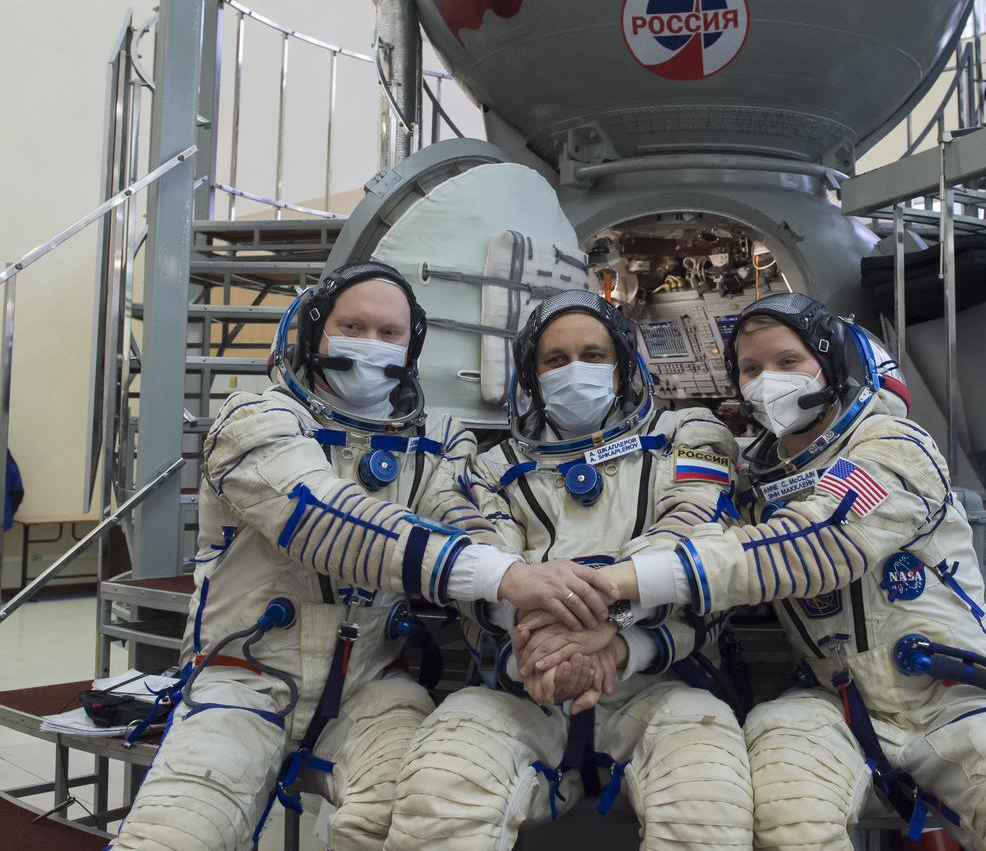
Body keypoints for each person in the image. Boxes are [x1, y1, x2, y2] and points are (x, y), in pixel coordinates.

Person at [561, 292, 986, 850]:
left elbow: (816, 542)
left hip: (956, 700)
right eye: (751, 369)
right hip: (837, 705)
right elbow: (708, 562)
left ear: (831, 368)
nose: (766, 381)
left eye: (787, 363)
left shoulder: (896, 447)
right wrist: (609, 624)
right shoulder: (755, 484)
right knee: (787, 812)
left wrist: (613, 584)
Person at [111, 263, 617, 851]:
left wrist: (534, 630)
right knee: (176, 832)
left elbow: (466, 527)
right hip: (243, 680)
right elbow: (326, 517)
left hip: (371, 686)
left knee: (408, 817)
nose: (371, 345)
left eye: (389, 333)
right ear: (314, 335)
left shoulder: (437, 444)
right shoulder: (253, 419)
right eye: (353, 326)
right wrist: (512, 577)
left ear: (412, 347)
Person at [386, 289, 753, 851]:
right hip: (525, 684)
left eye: (595, 354)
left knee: (706, 799)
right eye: (555, 360)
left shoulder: (690, 438)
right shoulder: (490, 470)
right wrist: (544, 656)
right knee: (441, 784)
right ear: (531, 377)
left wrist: (619, 641)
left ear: (623, 366)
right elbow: (484, 571)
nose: (575, 369)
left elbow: (693, 537)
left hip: (661, 686)